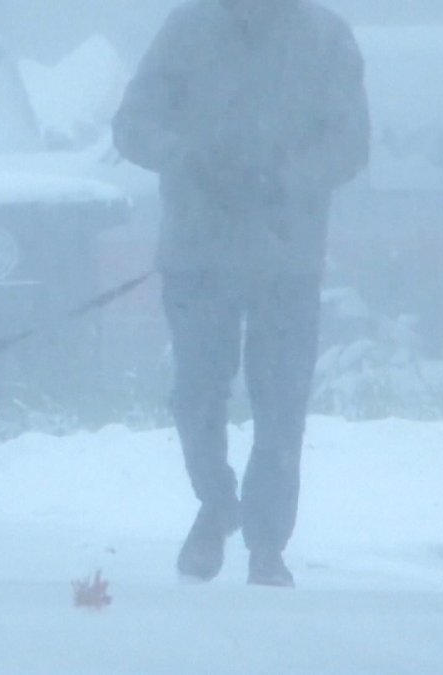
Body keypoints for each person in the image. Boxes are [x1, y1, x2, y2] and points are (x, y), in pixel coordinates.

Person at [112, 0, 370, 587]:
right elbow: (132, 125)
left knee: (281, 402)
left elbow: (352, 141)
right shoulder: (185, 28)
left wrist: (281, 176)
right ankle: (216, 503)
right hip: (197, 253)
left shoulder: (327, 37)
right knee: (196, 394)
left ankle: (266, 543)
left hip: (288, 259)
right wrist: (191, 158)